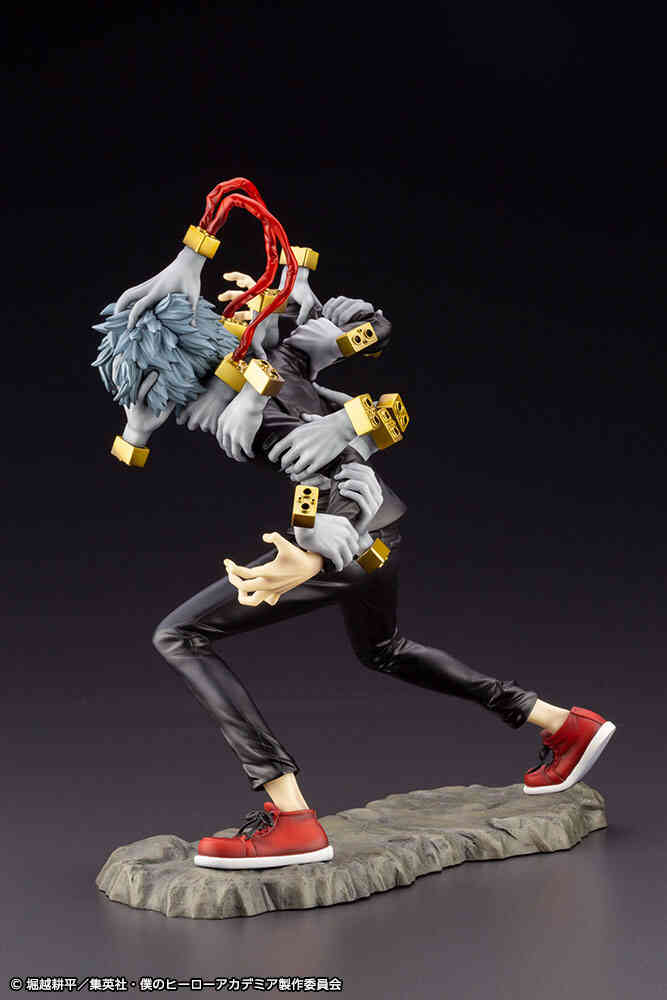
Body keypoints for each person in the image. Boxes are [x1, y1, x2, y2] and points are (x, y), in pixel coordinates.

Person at [95, 238, 616, 872]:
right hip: (381, 535)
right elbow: (369, 335)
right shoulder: (279, 360)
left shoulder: (247, 418)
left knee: (180, 635)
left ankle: (290, 817)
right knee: (383, 648)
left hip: (352, 536)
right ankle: (563, 725)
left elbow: (333, 473)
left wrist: (310, 547)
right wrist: (319, 312)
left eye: (154, 393)